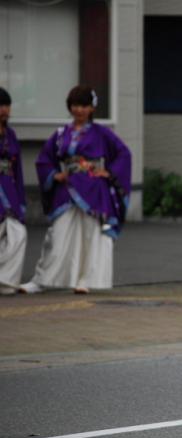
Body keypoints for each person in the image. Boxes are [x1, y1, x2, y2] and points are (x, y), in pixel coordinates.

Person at [19, 85, 131, 295]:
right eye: (75, 105)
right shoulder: (61, 133)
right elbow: (44, 159)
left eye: (84, 105)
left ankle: (86, 280)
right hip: (67, 189)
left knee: (92, 235)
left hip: (94, 190)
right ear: (70, 107)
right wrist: (55, 175)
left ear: (91, 108)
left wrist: (108, 172)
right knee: (57, 234)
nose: (79, 109)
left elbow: (124, 154)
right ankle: (42, 280)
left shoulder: (102, 133)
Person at [0, 87, 27, 295]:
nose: (4, 110)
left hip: (9, 189)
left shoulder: (11, 134)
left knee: (18, 234)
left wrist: (20, 199)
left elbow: (17, 170)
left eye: (6, 105)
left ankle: (7, 281)